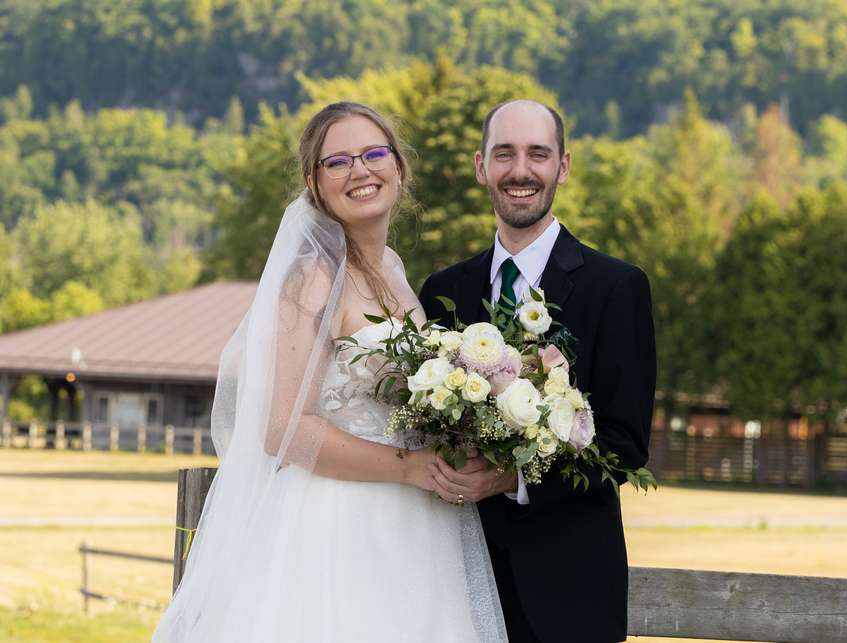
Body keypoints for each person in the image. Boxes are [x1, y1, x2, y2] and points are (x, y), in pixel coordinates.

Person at [153, 102, 507, 643]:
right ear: (314, 185)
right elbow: (284, 428)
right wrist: (408, 467)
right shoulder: (311, 278)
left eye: (373, 153)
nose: (360, 171)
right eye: (337, 162)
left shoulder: (394, 270)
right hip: (335, 525)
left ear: (399, 166)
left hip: (417, 528)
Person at [419, 100, 656, 643]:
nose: (520, 171)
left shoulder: (616, 289)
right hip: (454, 581)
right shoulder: (442, 292)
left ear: (563, 167)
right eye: (504, 154)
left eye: (537, 154)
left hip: (569, 593)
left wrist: (512, 478)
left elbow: (625, 444)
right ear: (482, 167)